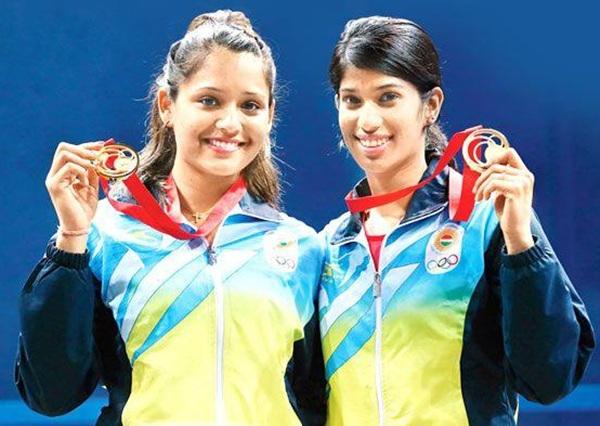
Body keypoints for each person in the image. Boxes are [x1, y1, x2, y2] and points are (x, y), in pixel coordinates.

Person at [15, 10, 325, 426]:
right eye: (209, 100)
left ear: (269, 115)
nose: (230, 122)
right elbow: (51, 395)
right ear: (167, 105)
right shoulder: (106, 235)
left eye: (250, 105)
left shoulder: (301, 248)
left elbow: (315, 402)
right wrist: (72, 237)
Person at [318, 16, 595, 425]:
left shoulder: (487, 219)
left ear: (430, 106)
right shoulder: (329, 247)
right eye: (352, 100)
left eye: (388, 97)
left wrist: (521, 242)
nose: (367, 120)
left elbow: (550, 378)